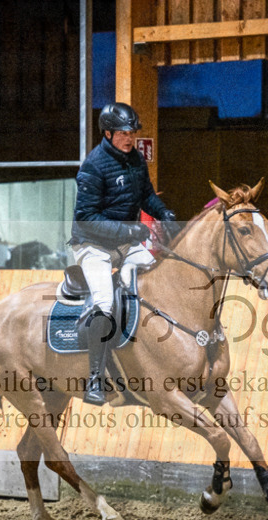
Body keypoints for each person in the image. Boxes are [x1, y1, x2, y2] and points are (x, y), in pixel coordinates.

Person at [71, 102, 178, 406]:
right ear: (108, 133)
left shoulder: (135, 160)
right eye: (123, 133)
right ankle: (95, 379)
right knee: (104, 304)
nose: (129, 138)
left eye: (132, 133)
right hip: (93, 247)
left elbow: (145, 196)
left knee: (158, 277)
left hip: (125, 244)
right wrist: (127, 232)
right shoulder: (93, 165)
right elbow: (85, 218)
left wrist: (163, 213)